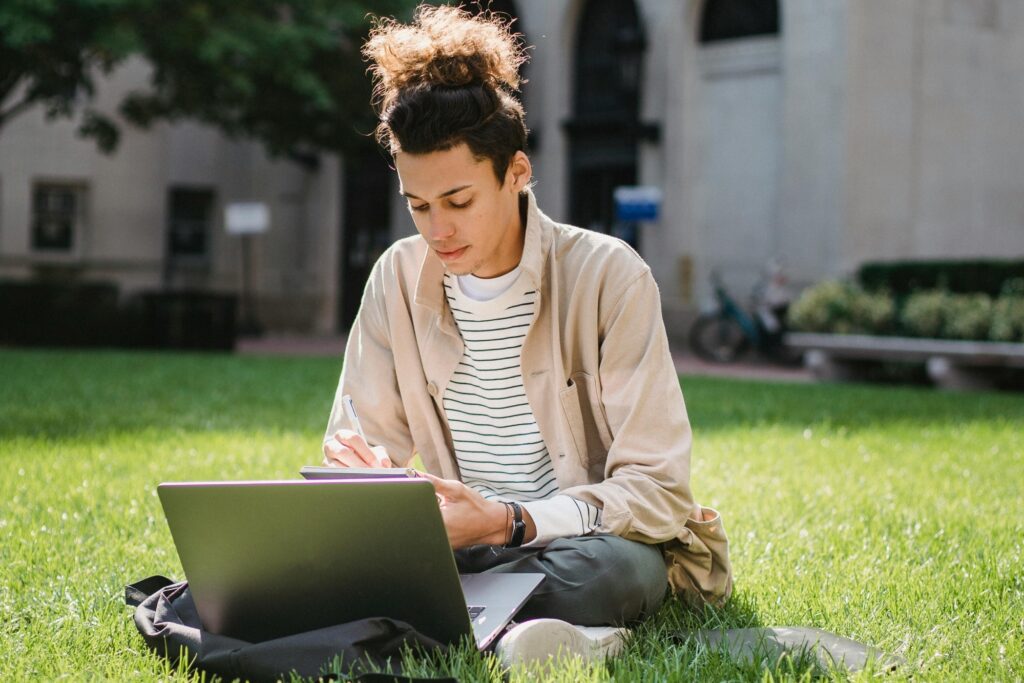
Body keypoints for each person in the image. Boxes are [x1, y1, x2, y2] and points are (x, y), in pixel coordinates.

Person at [322, 4, 732, 666]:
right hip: (459, 544)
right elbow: (351, 445)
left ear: (517, 173)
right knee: (326, 555)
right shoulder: (396, 278)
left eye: (458, 201)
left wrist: (509, 520)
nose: (437, 229)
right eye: (417, 205)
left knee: (621, 574)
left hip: (582, 542)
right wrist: (373, 491)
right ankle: (511, 624)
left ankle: (446, 612)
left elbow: (658, 491)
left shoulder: (608, 275)